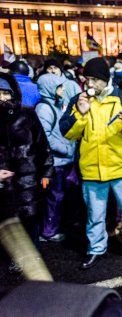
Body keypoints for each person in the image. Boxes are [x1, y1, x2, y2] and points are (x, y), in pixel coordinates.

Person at [59, 57, 122, 270]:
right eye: (87, 79)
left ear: (105, 79)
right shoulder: (79, 100)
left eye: (95, 80)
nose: (90, 84)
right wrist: (81, 115)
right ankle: (95, 249)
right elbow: (67, 132)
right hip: (92, 169)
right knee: (95, 215)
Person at [0, 72, 54, 274]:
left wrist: (46, 172)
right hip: (3, 186)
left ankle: (34, 254)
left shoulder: (27, 114)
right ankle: (15, 257)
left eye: (6, 93)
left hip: (27, 182)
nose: (3, 98)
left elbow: (43, 146)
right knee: (9, 223)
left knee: (30, 221)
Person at [35, 73, 78, 243]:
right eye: (59, 87)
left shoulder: (55, 105)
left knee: (61, 196)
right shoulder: (44, 108)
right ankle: (48, 231)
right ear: (50, 89)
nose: (63, 89)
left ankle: (55, 226)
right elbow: (45, 137)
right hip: (56, 162)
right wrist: (66, 149)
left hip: (63, 160)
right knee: (54, 198)